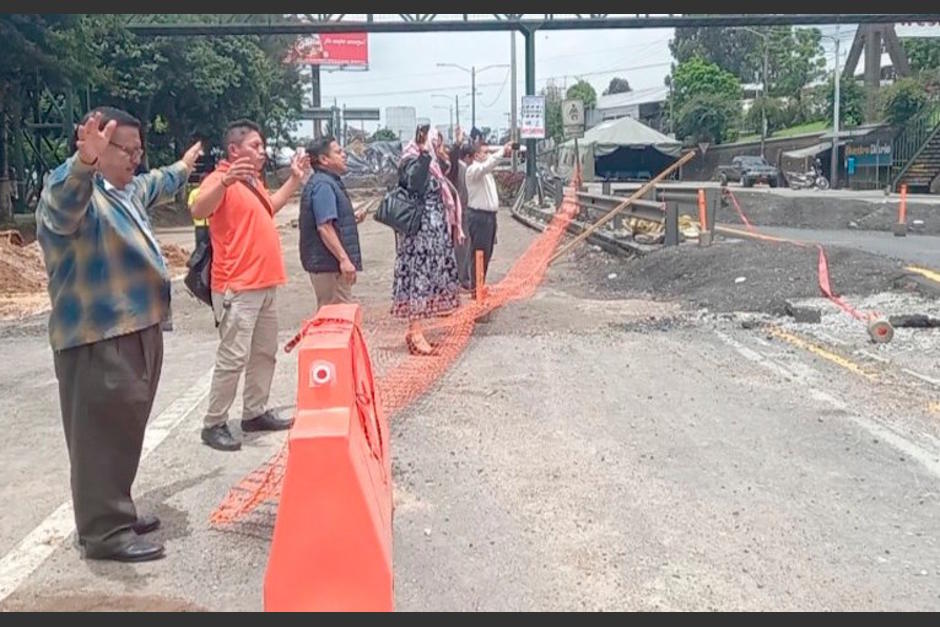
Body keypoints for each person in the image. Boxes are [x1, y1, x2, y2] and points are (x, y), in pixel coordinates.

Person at [36, 106, 202, 562]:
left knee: (124, 429)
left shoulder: (127, 190)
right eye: (125, 149)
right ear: (95, 146)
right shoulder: (72, 189)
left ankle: (115, 511)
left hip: (138, 329)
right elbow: (62, 210)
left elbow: (159, 181)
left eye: (138, 150)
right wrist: (82, 164)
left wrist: (184, 167)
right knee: (100, 435)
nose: (135, 158)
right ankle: (103, 533)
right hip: (98, 336)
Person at [190, 119, 309, 452]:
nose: (263, 152)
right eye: (255, 146)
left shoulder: (252, 183)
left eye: (263, 146)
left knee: (263, 354)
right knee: (233, 357)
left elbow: (268, 207)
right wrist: (226, 181)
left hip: (265, 283)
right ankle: (214, 423)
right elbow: (199, 208)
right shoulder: (220, 179)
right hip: (237, 287)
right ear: (234, 149)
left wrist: (295, 181)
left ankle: (254, 412)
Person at [392, 125, 463, 355]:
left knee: (429, 281)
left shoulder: (433, 166)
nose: (440, 148)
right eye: (438, 143)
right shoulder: (412, 160)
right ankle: (415, 331)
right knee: (418, 281)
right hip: (420, 237)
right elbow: (414, 183)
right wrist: (424, 154)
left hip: (433, 235)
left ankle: (417, 330)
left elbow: (448, 180)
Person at [300, 136, 365, 310]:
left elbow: (330, 222)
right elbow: (324, 227)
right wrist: (344, 260)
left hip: (328, 264)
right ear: (324, 159)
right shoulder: (323, 185)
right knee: (335, 318)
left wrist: (350, 218)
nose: (345, 155)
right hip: (330, 267)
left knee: (333, 316)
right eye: (338, 152)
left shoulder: (327, 182)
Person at [465, 139, 514, 293]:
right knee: (479, 253)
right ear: (476, 155)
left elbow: (489, 165)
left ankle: (480, 285)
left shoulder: (486, 173)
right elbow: (488, 165)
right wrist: (501, 152)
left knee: (487, 253)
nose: (487, 155)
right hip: (479, 216)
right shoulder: (473, 171)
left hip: (489, 217)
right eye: (484, 152)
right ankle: (476, 288)